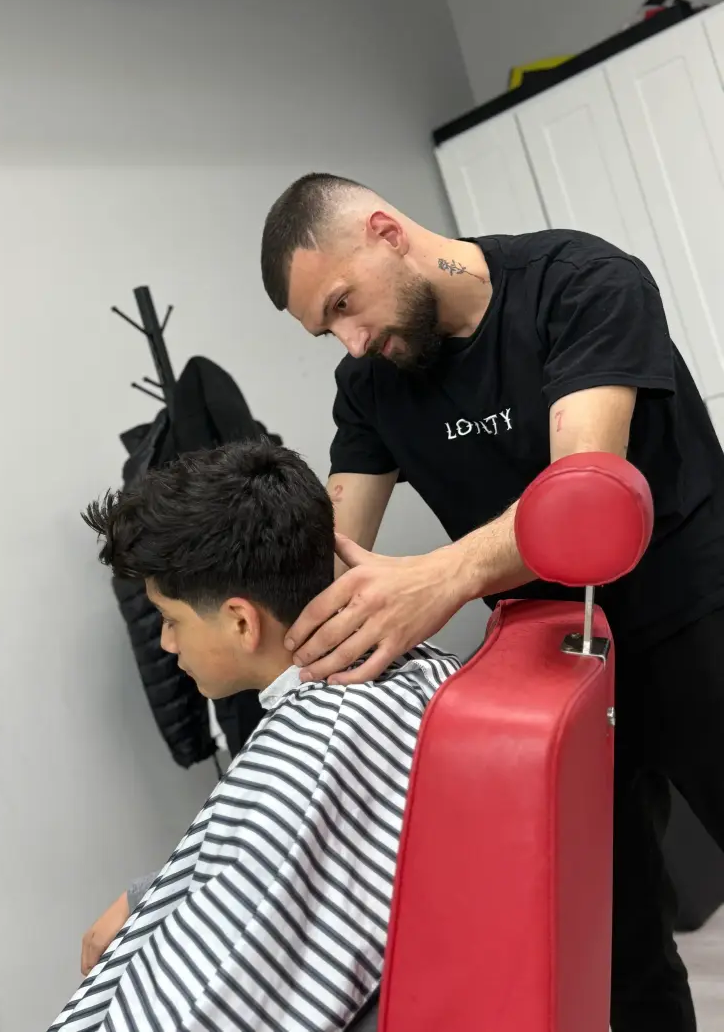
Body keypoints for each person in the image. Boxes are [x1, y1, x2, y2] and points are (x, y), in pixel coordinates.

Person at [260, 172, 724, 1032]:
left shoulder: (581, 283)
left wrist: (436, 579)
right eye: (330, 330)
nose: (353, 342)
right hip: (559, 670)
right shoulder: (370, 385)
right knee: (614, 951)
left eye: (345, 304)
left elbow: (584, 506)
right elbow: (328, 550)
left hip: (692, 616)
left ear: (386, 231)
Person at [49, 440, 460, 1032]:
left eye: (171, 620)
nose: (166, 644)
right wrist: (150, 898)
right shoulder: (415, 667)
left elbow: (202, 1004)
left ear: (242, 621)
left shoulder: (303, 769)